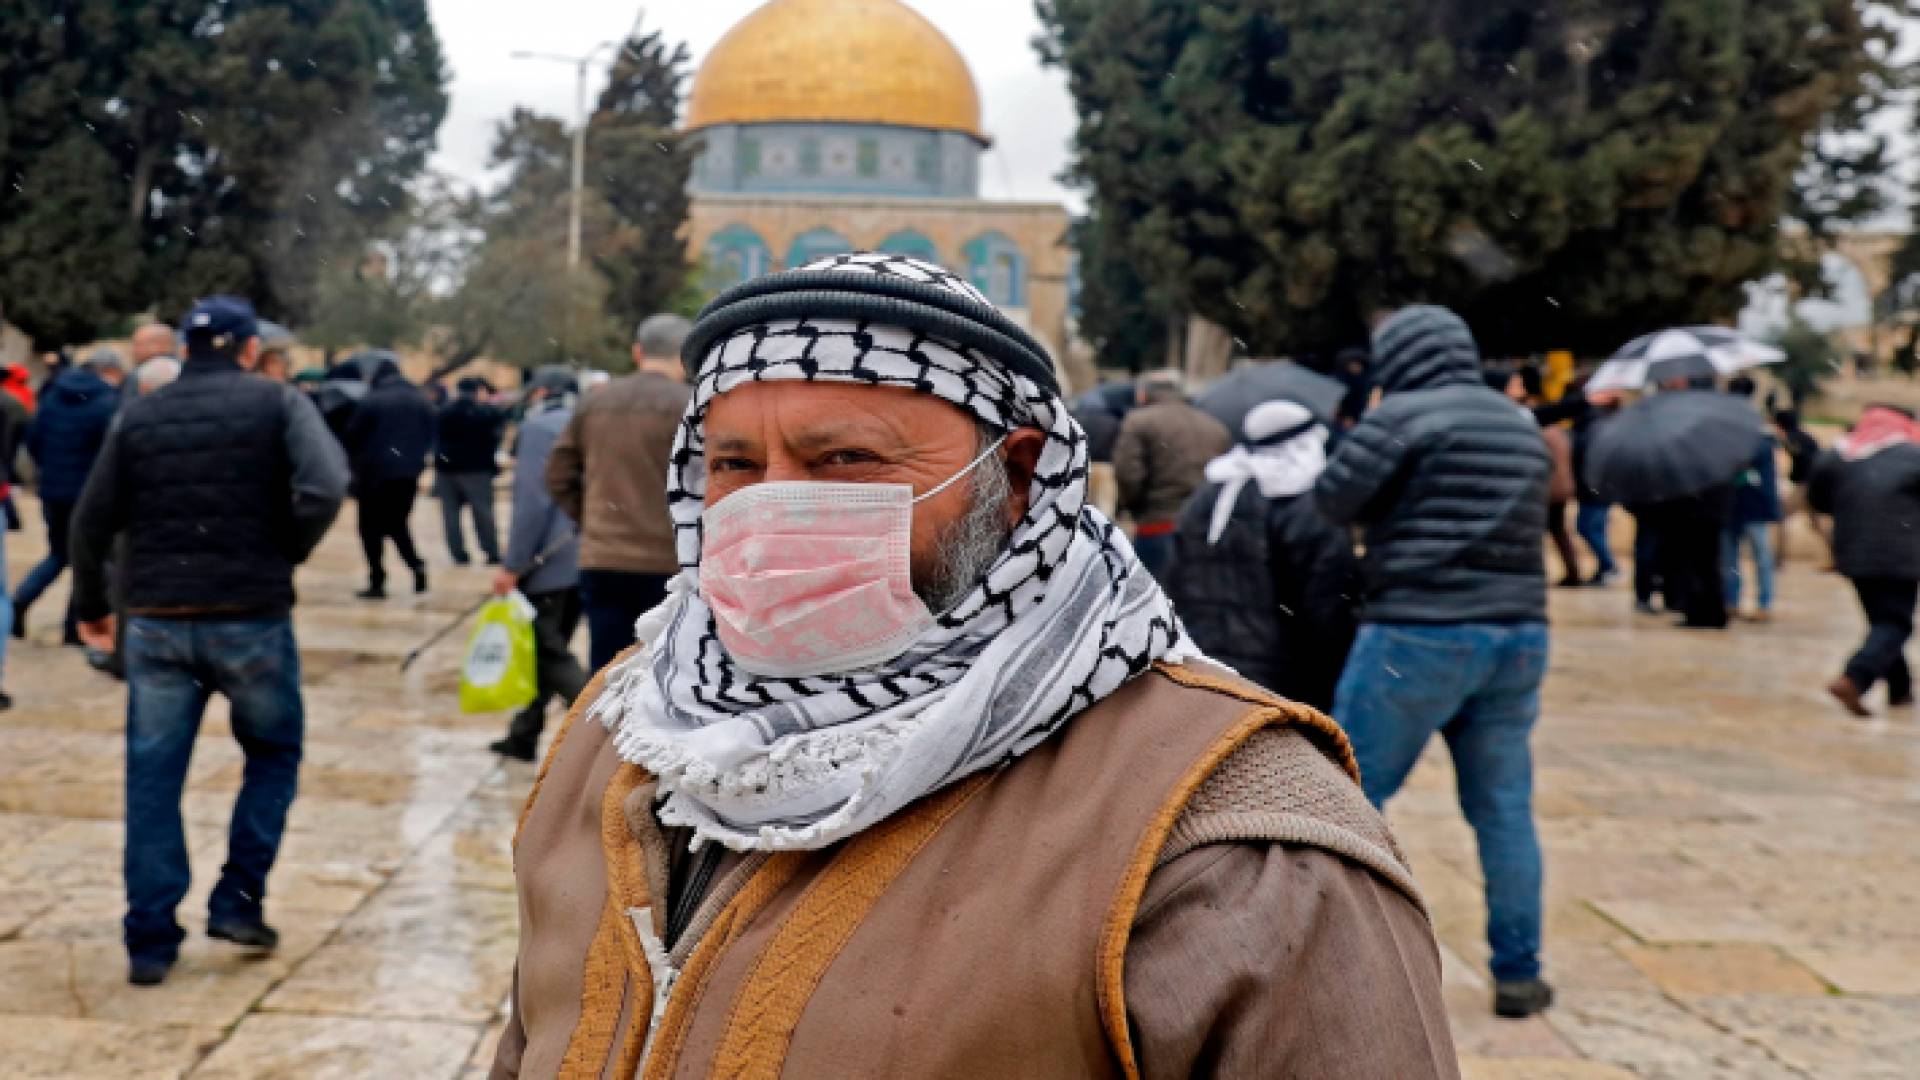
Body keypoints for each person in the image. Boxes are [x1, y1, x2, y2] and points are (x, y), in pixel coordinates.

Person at [490, 255, 1454, 1078]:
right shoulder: (625, 729)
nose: (771, 508)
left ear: (1019, 475)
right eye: (735, 464)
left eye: (845, 460)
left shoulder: (1233, 836)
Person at [69, 296, 349, 987]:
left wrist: (92, 606)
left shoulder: (140, 413)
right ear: (251, 350)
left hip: (160, 618)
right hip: (249, 613)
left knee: (153, 777)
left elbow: (90, 520)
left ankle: (150, 938)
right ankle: (238, 898)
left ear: (184, 350)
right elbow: (325, 485)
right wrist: (282, 548)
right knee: (274, 753)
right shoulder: (278, 405)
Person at [1315, 304, 1553, 1018]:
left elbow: (1333, 499)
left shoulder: (1402, 416)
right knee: (1503, 808)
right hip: (1518, 633)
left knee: (1343, 797)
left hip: (1418, 630)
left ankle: (1327, 962)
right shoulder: (1518, 422)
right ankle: (1519, 972)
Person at [1161, 399, 1360, 710]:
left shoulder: (1207, 496)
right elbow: (1327, 606)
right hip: (1281, 679)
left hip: (1202, 670)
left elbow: (1175, 580)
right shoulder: (1308, 507)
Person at [545, 314, 692, 672]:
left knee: (608, 670)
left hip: (603, 557)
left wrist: (592, 517)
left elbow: (557, 475)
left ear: (637, 351)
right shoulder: (692, 404)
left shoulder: (595, 402)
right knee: (668, 671)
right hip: (672, 562)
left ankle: (605, 730)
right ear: (686, 355)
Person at [489, 368, 586, 763]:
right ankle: (524, 734)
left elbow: (533, 502)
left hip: (549, 558)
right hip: (587, 552)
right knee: (546, 648)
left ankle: (599, 730)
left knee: (548, 652)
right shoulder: (585, 422)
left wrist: (514, 564)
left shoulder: (540, 427)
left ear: (542, 392)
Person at [1810, 405, 1920, 717]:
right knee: (1894, 622)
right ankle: (1855, 678)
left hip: (1852, 553)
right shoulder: (1913, 455)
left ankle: (1901, 691)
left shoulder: (1839, 456)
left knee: (1882, 620)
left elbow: (1819, 499)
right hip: (1901, 556)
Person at [15, 346, 124, 643]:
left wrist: (48, 472)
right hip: (88, 495)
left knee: (58, 555)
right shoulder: (108, 402)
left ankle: (20, 602)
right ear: (109, 371)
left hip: (53, 490)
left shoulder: (52, 396)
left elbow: (33, 440)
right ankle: (72, 627)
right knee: (88, 558)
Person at [1112, 369, 1232, 579]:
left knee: (1151, 602)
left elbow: (1128, 474)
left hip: (1157, 524)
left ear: (1143, 394)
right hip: (1205, 529)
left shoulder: (1138, 421)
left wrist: (1132, 506)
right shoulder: (1213, 425)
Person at [344, 352, 435, 599]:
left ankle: (377, 579)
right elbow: (430, 433)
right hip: (407, 474)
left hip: (374, 474)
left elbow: (353, 434)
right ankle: (416, 565)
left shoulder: (372, 400)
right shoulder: (421, 399)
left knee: (370, 528)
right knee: (397, 524)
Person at [1504, 366, 1583, 586]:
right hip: (1559, 487)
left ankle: (1541, 573)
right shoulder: (1549, 424)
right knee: (1558, 532)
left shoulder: (1530, 422)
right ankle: (1572, 573)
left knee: (1537, 532)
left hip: (1546, 489)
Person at [434, 377, 507, 566]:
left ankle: (458, 554)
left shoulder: (444, 411)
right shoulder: (487, 413)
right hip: (477, 469)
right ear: (477, 391)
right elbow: (496, 437)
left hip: (447, 469)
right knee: (483, 512)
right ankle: (490, 551)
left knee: (450, 514)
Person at [1723, 406, 1783, 623]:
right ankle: (1731, 601)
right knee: (1730, 559)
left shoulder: (1762, 442)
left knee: (1761, 557)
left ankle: (1764, 603)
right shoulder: (1729, 441)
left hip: (1753, 508)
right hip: (1732, 508)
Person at [1774, 407, 1831, 566]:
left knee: (1780, 516)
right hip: (1814, 484)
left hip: (1805, 485)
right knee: (1817, 523)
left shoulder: (1791, 439)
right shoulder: (1805, 436)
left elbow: (1799, 462)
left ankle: (1778, 558)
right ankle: (1835, 556)